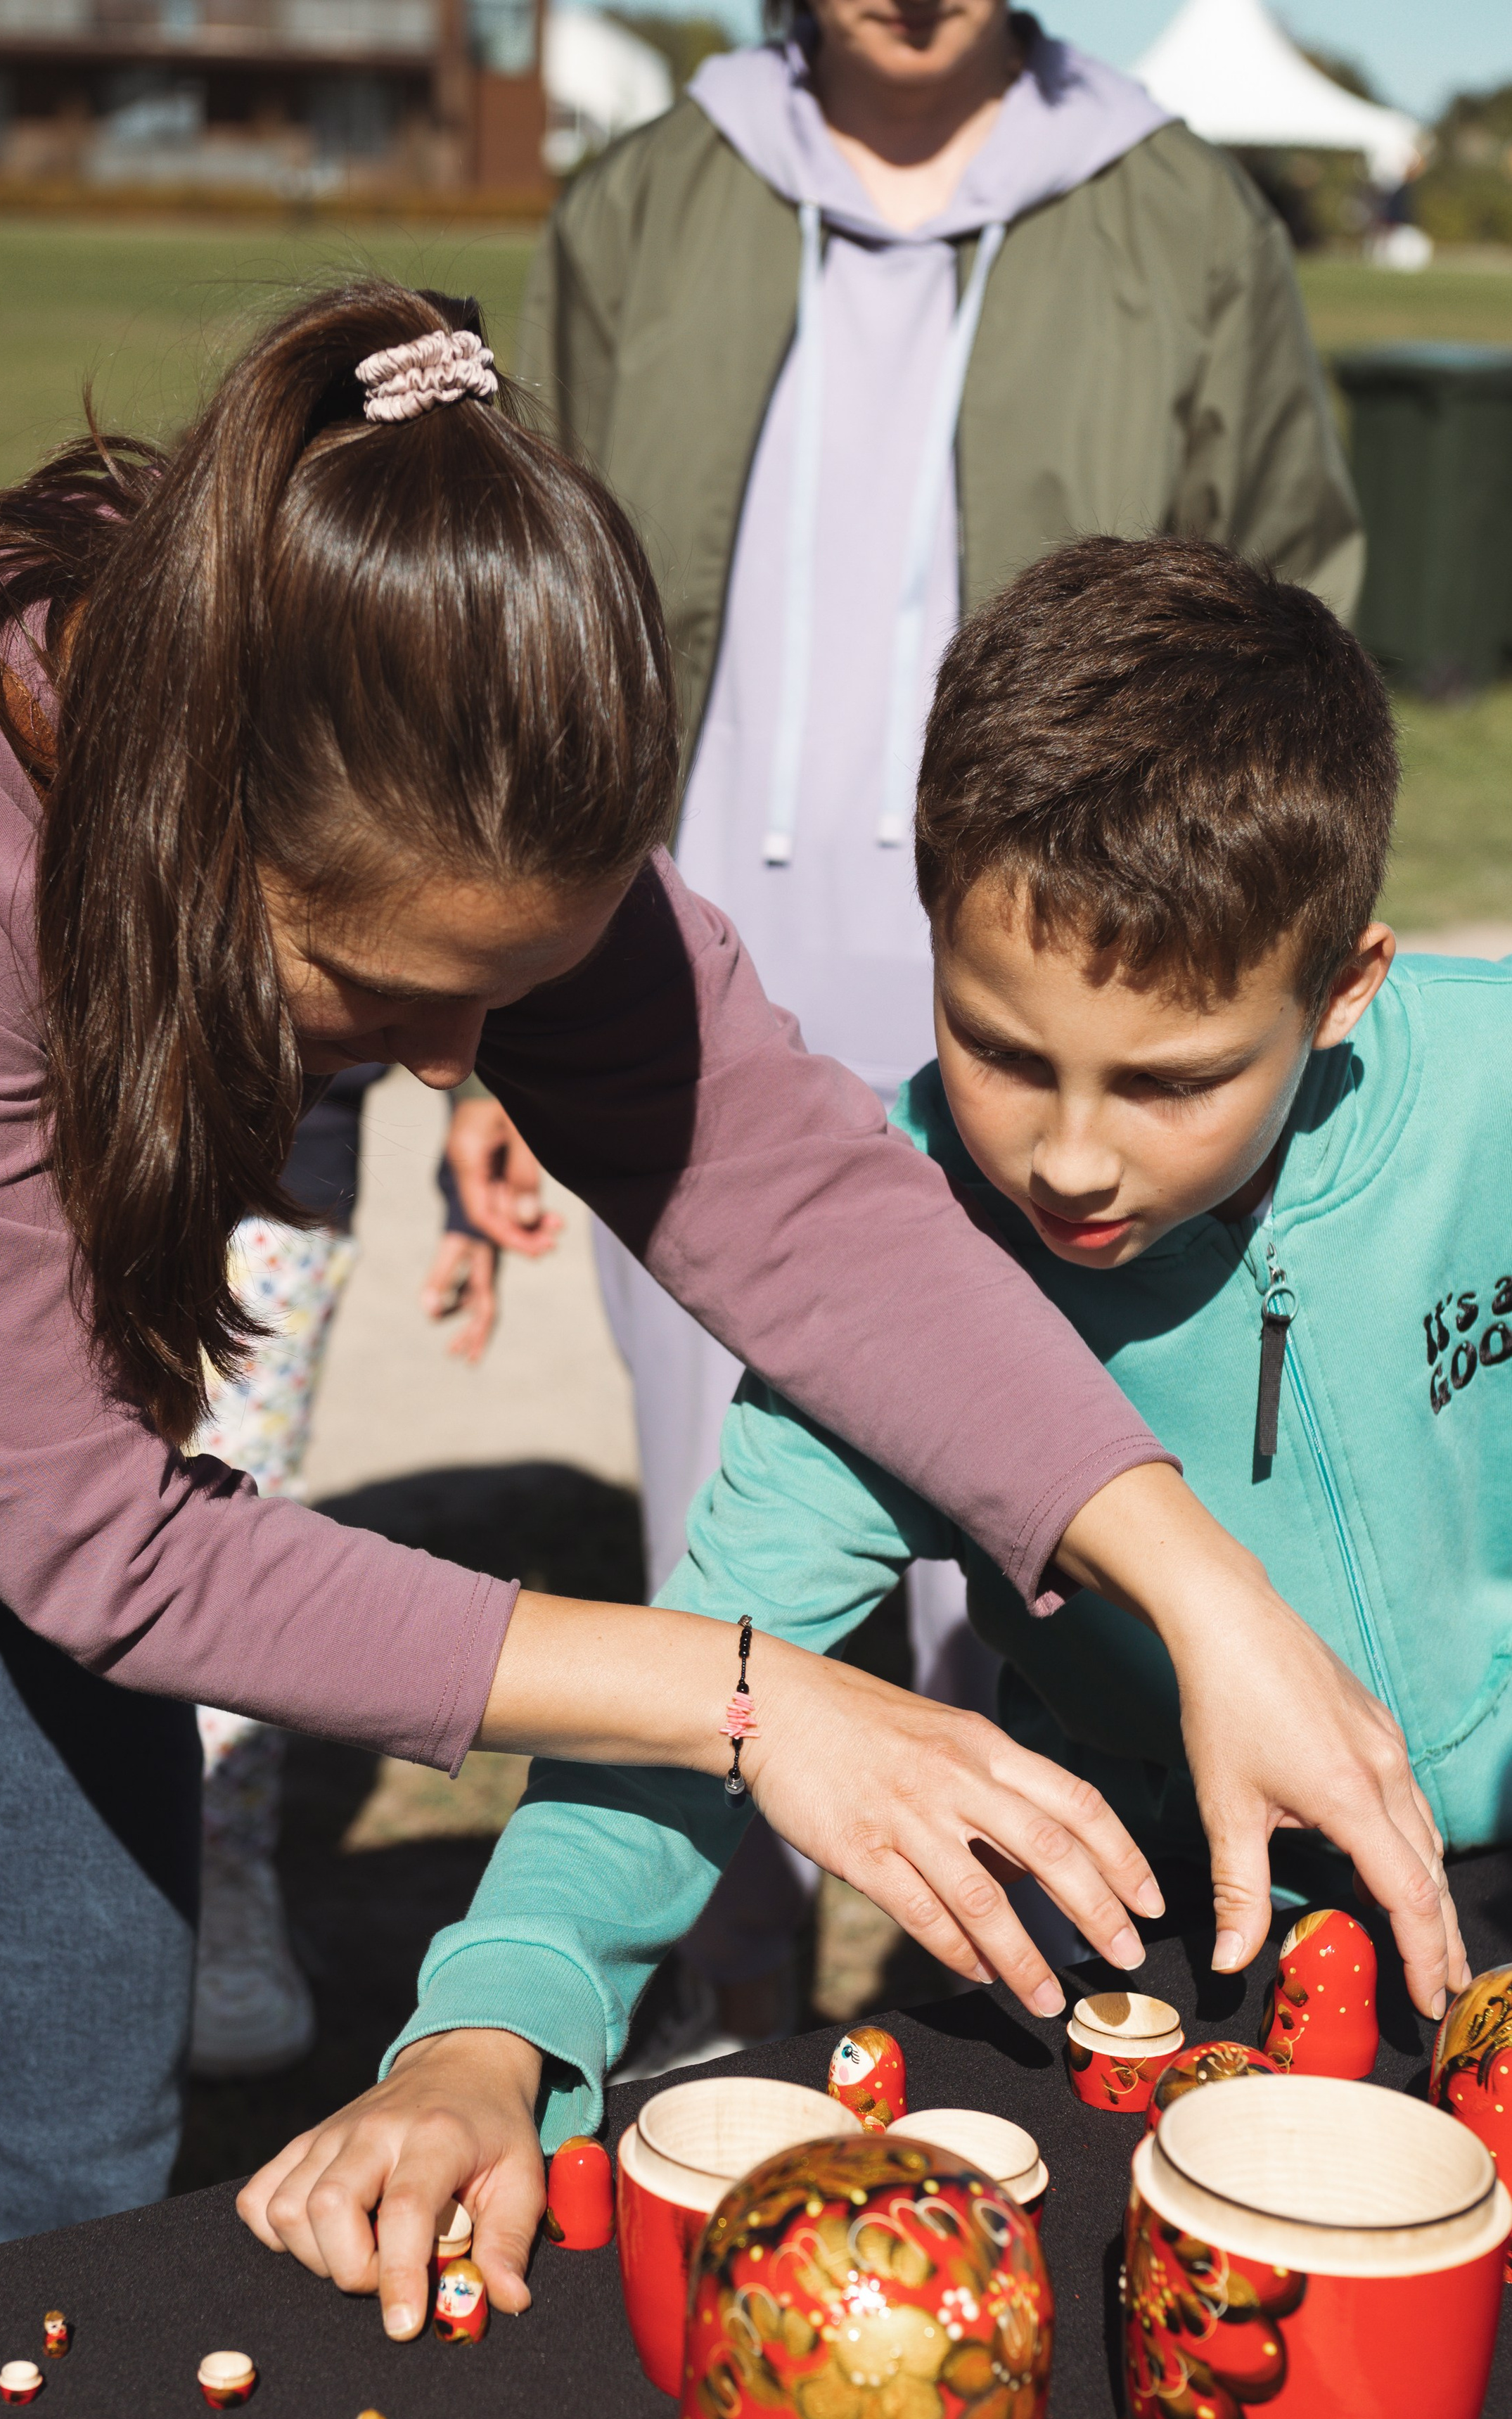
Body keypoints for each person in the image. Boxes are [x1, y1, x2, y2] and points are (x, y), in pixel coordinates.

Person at [0, 285, 1438, 2328]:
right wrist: (748, 1690)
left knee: (51, 2239)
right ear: (199, 818)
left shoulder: (466, 772)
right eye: (379, 996)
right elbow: (101, 1536)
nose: (456, 1068)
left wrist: (1189, 1575)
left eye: (514, 994)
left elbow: (800, 1207)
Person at [249, 536, 1478, 2335]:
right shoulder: (895, 1267)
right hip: (1142, 1951)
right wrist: (486, 2029)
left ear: (1346, 985)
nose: (1067, 1157)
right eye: (996, 1050)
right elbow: (696, 1690)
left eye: (1169, 1081)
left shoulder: (1494, 1110)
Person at [461, 0, 1366, 2052]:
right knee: (745, 1505)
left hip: (1057, 983)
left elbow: (1287, 593)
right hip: (689, 964)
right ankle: (731, 1981)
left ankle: (1038, 1964)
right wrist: (528, 1018)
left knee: (1046, 1501)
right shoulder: (647, 194)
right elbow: (541, 620)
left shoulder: (1175, 210)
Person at [189, 1068, 530, 2077]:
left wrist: (479, 1092)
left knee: (223, 1514)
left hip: (273, 1158)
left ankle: (217, 1867)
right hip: (22, 1120)